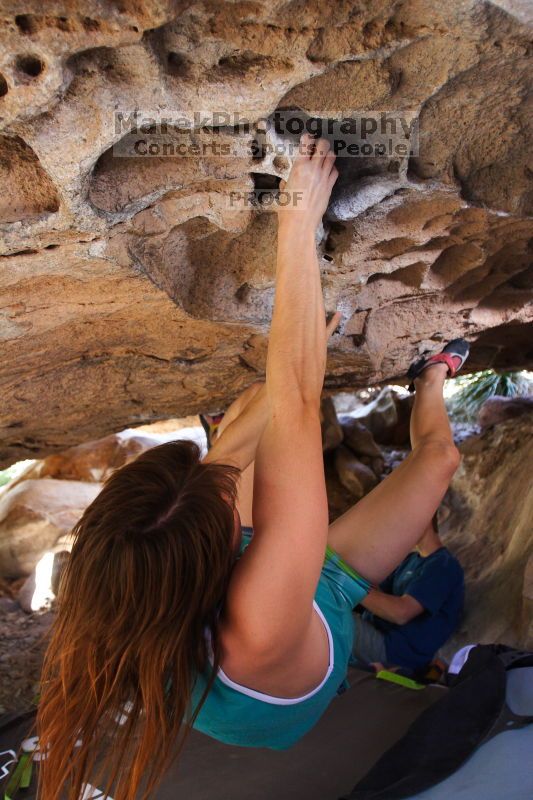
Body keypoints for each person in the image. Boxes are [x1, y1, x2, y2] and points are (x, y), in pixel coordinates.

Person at [35, 134, 469, 800]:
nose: (221, 478)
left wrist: (300, 347)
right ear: (215, 554)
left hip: (254, 608)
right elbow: (297, 394)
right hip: (288, 677)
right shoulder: (256, 614)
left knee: (241, 434)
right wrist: (295, 221)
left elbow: (245, 434)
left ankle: (277, 398)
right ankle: (433, 380)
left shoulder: (126, 577)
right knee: (435, 457)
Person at [352, 513, 465, 673]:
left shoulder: (443, 566)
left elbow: (401, 613)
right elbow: (379, 594)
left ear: (424, 518)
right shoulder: (410, 559)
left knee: (325, 615)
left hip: (394, 652)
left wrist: (349, 582)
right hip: (375, 634)